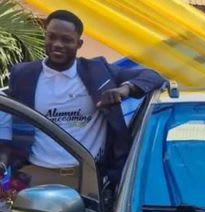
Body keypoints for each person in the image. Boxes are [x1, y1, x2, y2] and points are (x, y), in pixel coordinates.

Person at [0, 9, 164, 188]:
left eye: (66, 40)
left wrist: (125, 89)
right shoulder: (24, 75)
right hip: (35, 175)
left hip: (86, 179)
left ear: (79, 44)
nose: (57, 44)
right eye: (51, 37)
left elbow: (153, 76)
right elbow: (8, 121)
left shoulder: (98, 73)